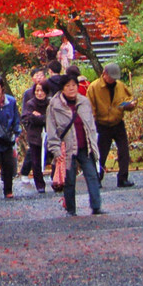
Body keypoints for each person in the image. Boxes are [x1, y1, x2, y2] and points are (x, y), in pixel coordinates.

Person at [46, 76, 103, 216]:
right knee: (69, 179)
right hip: (67, 148)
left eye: (74, 85)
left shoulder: (84, 102)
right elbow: (51, 130)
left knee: (92, 176)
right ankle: (71, 209)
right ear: (62, 88)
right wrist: (55, 149)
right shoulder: (54, 105)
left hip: (85, 146)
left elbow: (91, 125)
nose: (71, 88)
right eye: (67, 86)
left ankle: (96, 206)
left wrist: (94, 145)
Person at [87, 62, 138, 188]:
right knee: (100, 154)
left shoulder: (120, 86)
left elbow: (130, 99)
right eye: (111, 77)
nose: (113, 80)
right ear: (104, 74)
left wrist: (130, 105)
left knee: (124, 151)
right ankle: (96, 179)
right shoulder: (94, 87)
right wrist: (92, 124)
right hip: (102, 125)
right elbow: (90, 107)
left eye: (115, 78)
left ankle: (123, 178)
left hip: (118, 123)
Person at [20, 82, 50, 193]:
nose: (39, 93)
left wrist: (40, 117)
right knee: (36, 161)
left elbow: (52, 117)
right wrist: (42, 118)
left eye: (42, 90)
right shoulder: (30, 104)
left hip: (50, 135)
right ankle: (40, 184)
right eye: (37, 90)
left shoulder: (50, 103)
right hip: (34, 135)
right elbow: (29, 118)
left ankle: (57, 179)